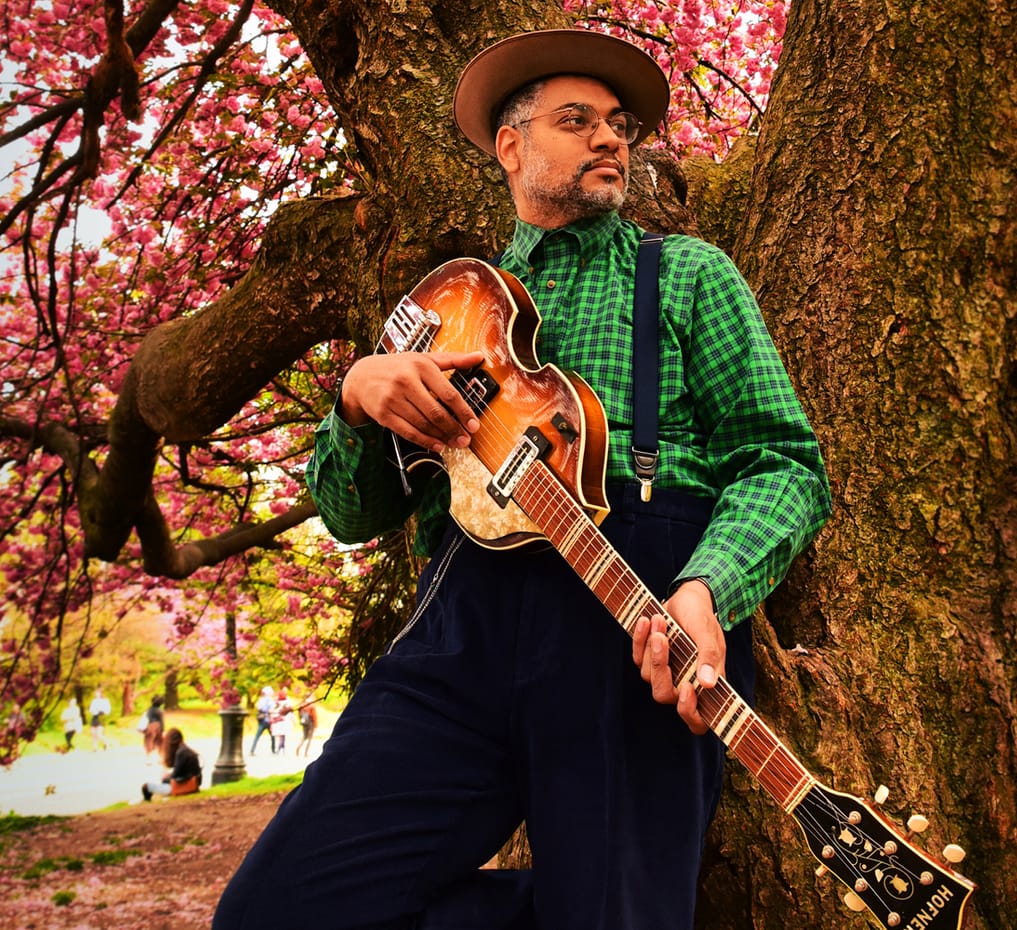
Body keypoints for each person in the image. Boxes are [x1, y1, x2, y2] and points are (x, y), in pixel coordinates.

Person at [215, 29, 831, 930]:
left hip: (633, 631)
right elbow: (351, 514)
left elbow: (783, 463)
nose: (610, 139)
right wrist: (355, 396)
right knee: (278, 910)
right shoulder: (446, 306)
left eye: (619, 124)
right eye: (576, 120)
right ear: (511, 146)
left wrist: (708, 589)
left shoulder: (687, 274)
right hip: (457, 636)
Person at [141, 728, 203, 800]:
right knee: (163, 781)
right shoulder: (186, 750)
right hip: (192, 784)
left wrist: (166, 778)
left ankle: (147, 800)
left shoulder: (181, 753)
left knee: (146, 787)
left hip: (184, 787)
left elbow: (175, 776)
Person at [249, 685, 275, 755]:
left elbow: (258, 707)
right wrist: (271, 718)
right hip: (267, 719)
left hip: (261, 718)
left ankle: (252, 750)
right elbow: (271, 710)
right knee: (272, 735)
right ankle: (273, 750)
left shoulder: (261, 699)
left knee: (257, 736)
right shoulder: (270, 700)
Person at [142, 695, 165, 759]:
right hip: (158, 727)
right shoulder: (160, 711)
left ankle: (148, 758)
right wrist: (163, 730)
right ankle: (160, 758)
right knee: (160, 743)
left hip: (150, 726)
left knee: (149, 742)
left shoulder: (148, 710)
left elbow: (146, 718)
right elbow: (161, 721)